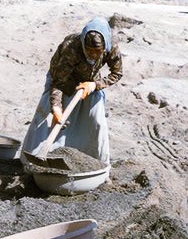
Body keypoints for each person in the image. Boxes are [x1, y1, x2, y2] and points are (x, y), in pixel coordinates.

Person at [21, 17, 123, 167]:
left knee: (97, 120)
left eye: (97, 52)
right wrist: (56, 108)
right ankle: (32, 161)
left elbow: (117, 73)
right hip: (62, 78)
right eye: (89, 51)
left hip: (90, 82)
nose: (93, 55)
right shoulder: (72, 48)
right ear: (83, 44)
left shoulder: (111, 47)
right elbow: (59, 82)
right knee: (45, 118)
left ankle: (99, 165)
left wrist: (95, 85)